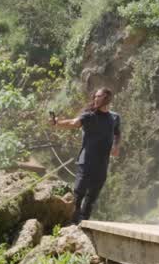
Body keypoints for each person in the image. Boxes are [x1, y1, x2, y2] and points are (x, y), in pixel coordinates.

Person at [51, 87, 121, 225]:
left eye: (99, 96)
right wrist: (57, 123)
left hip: (102, 163)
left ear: (107, 98)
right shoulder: (89, 115)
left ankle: (83, 223)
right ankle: (72, 222)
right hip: (86, 161)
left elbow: (117, 133)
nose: (96, 99)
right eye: (95, 96)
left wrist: (116, 146)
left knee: (92, 196)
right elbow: (73, 123)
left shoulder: (114, 117)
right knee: (79, 192)